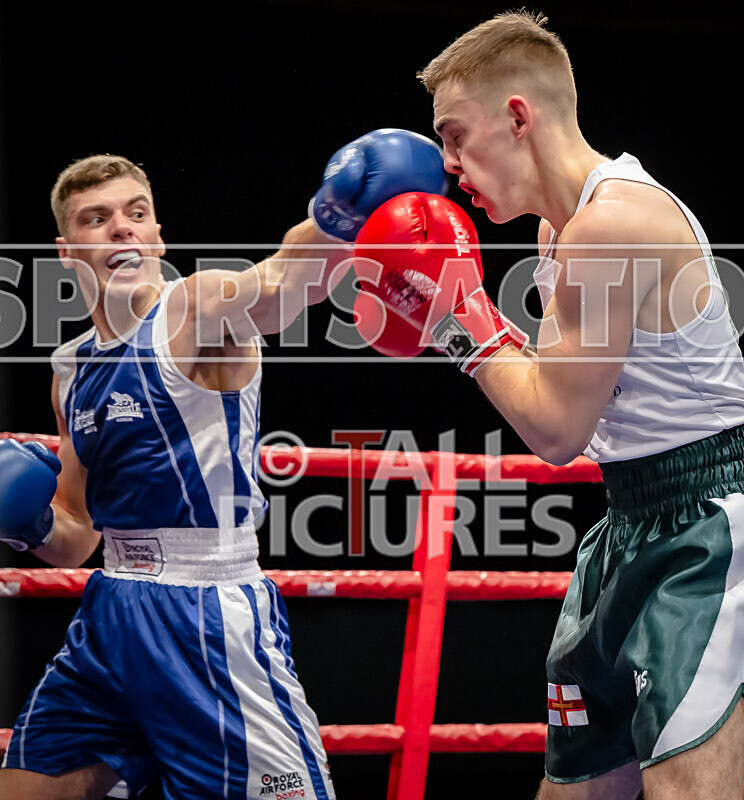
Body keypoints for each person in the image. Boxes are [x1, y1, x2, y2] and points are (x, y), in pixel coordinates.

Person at [350, 11, 744, 800]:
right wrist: (461, 323)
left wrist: (462, 318)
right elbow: (551, 394)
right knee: (575, 791)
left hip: (709, 531)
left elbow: (556, 432)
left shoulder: (611, 223)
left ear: (517, 116)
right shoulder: (562, 237)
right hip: (628, 525)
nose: (448, 164)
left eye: (455, 136)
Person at [0, 129, 448, 800]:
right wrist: (25, 523)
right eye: (97, 219)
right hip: (113, 610)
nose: (122, 228)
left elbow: (281, 282)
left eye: (137, 212)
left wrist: (337, 216)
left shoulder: (195, 310)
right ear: (67, 251)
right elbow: (76, 532)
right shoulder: (70, 369)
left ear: (157, 235)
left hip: (206, 612)